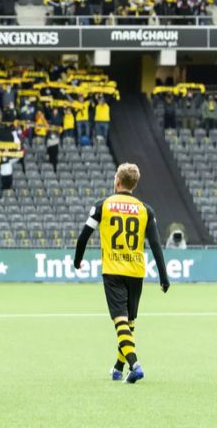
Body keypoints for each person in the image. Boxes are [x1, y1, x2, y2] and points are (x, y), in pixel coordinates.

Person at [73, 163, 170, 384]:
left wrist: (77, 261)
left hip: (113, 270)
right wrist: (164, 277)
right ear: (134, 184)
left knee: (120, 321)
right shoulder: (146, 209)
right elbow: (155, 245)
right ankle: (118, 368)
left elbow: (83, 237)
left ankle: (135, 365)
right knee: (129, 323)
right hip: (136, 270)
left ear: (117, 181)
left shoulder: (103, 205)